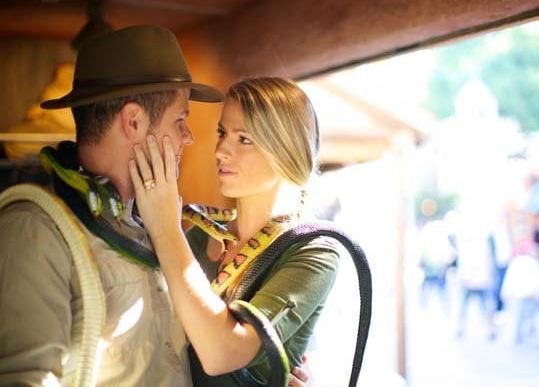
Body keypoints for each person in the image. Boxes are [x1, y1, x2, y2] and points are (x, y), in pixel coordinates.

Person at [0, 26, 308, 386]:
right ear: (133, 121)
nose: (190, 136)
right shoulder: (35, 231)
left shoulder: (156, 228)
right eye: (180, 120)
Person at [128, 77, 341, 386]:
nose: (220, 151)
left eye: (244, 139)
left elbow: (223, 354)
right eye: (222, 132)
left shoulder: (313, 250)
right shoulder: (200, 236)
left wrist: (164, 229)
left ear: (284, 149)